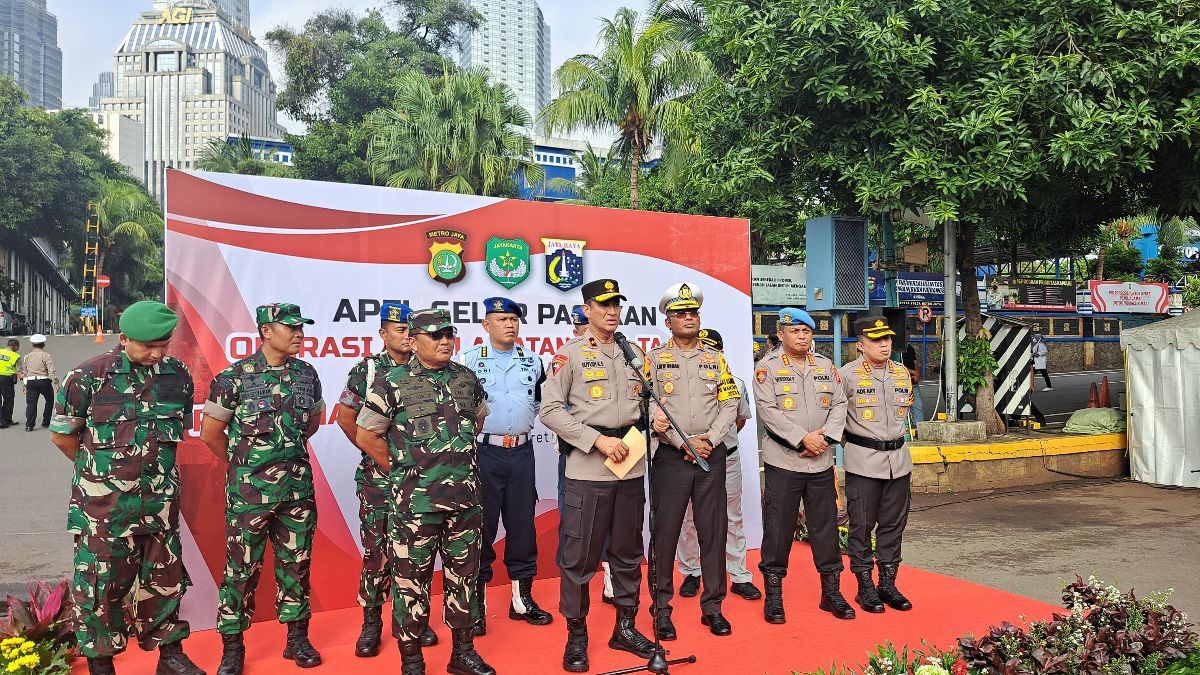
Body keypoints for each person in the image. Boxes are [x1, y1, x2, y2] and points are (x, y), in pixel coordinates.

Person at [48, 301, 203, 675]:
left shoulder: (177, 375)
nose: (157, 352)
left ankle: (170, 655)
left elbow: (175, 433)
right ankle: (101, 661)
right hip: (104, 508)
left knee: (165, 579)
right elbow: (62, 436)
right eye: (149, 345)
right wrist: (102, 477)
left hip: (160, 503)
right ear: (123, 338)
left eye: (164, 344)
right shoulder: (88, 376)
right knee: (101, 585)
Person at [356, 308, 495, 675]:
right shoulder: (392, 382)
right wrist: (406, 471)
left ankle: (462, 653)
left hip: (465, 502)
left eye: (449, 334)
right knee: (410, 583)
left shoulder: (466, 378)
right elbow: (367, 434)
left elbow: (478, 419)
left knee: (463, 579)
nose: (445, 341)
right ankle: (412, 659)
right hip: (416, 506)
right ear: (414, 341)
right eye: (435, 335)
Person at [200, 303, 325, 674]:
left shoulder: (307, 374)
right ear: (267, 331)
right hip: (249, 496)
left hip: (297, 492)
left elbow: (312, 423)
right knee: (241, 570)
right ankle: (234, 647)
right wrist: (247, 468)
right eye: (291, 327)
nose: (300, 333)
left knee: (297, 566)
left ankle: (297, 639)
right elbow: (211, 433)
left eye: (302, 326)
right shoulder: (234, 378)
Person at [541, 278, 656, 673]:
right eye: (603, 305)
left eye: (616, 305)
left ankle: (624, 627)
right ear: (586, 310)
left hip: (630, 466)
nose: (611, 311)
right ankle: (576, 634)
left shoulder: (635, 353)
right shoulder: (569, 355)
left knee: (627, 553)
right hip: (588, 469)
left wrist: (647, 429)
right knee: (579, 558)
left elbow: (650, 406)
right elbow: (550, 411)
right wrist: (597, 441)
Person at [335, 302, 440, 655]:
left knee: (415, 554)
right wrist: (386, 461)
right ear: (383, 333)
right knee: (377, 553)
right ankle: (371, 623)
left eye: (413, 330)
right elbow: (347, 420)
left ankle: (412, 621)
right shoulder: (366, 372)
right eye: (400, 330)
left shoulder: (427, 369)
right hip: (381, 481)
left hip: (421, 483)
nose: (409, 336)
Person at [645, 283, 740, 640]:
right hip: (670, 457)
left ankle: (713, 607)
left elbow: (729, 403)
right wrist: (681, 441)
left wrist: (709, 441)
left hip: (710, 456)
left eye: (693, 312)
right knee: (665, 534)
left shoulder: (715, 359)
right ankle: (662, 608)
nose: (688, 317)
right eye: (681, 313)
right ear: (667, 321)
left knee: (712, 533)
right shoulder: (652, 359)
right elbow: (648, 404)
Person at [457, 297, 552, 636]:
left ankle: (521, 601)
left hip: (522, 454)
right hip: (485, 454)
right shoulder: (466, 362)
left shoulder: (534, 362)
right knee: (479, 529)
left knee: (522, 527)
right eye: (502, 319)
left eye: (514, 318)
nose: (510, 324)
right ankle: (476, 605)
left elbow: (543, 403)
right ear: (486, 325)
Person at [753, 308, 852, 625]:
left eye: (806, 332)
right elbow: (769, 412)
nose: (801, 337)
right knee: (778, 530)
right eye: (794, 331)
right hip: (784, 463)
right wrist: (802, 439)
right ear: (781, 334)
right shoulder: (766, 369)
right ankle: (774, 597)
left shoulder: (825, 366)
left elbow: (840, 404)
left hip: (821, 461)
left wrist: (824, 438)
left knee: (825, 528)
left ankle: (831, 593)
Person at [676, 328, 761, 603]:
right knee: (688, 517)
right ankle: (691, 571)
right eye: (704, 347)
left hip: (726, 456)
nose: (708, 353)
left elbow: (739, 420)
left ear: (721, 353)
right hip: (687, 456)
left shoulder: (734, 382)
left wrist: (712, 442)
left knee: (731, 517)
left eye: (714, 349)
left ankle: (738, 575)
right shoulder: (681, 381)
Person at [839, 317, 915, 614]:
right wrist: (854, 446)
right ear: (860, 345)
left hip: (898, 462)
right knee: (862, 526)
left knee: (894, 526)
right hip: (864, 463)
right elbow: (835, 419)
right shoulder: (846, 375)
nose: (884, 345)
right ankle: (864, 587)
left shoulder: (901, 373)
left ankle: (888, 583)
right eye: (876, 340)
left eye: (887, 339)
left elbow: (903, 416)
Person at [18, 333, 56, 431]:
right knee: (49, 400)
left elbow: (25, 372)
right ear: (43, 344)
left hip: (31, 381)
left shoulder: (27, 356)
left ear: (32, 345)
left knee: (31, 403)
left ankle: (29, 425)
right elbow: (52, 371)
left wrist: (24, 386)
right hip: (44, 381)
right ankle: (46, 421)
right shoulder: (47, 356)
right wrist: (56, 383)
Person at [902, 343, 924, 428]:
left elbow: (915, 362)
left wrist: (917, 374)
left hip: (912, 381)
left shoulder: (909, 347)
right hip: (901, 381)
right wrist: (912, 372)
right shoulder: (894, 349)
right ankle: (904, 428)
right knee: (902, 405)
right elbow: (895, 364)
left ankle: (919, 427)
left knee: (918, 404)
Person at [0, 338, 19, 427]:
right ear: (15, 346)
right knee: (8, 400)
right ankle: (6, 420)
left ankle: (1, 420)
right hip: (6, 378)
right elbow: (20, 370)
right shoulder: (15, 356)